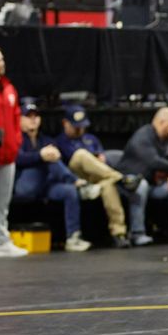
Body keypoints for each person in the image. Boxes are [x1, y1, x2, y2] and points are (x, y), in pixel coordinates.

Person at [14, 100, 91, 251]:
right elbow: (17, 159)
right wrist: (40, 156)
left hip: (44, 185)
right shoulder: (16, 139)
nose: (33, 119)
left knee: (69, 191)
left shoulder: (45, 139)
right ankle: (76, 182)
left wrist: (46, 155)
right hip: (22, 186)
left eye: (35, 116)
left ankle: (73, 237)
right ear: (19, 119)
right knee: (48, 157)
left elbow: (57, 155)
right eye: (28, 116)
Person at [54, 105, 132, 248]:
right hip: (76, 179)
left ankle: (118, 233)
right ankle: (121, 178)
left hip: (95, 180)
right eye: (75, 126)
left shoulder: (92, 139)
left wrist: (100, 160)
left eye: (82, 126)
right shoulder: (60, 141)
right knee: (81, 154)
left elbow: (102, 162)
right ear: (65, 123)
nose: (79, 130)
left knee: (109, 185)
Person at [116, 107, 168, 244]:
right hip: (129, 184)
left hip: (155, 187)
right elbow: (153, 162)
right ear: (162, 122)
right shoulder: (143, 136)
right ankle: (137, 233)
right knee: (141, 184)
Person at [0, 48, 26, 258]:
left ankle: (1, 241)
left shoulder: (8, 88)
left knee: (2, 203)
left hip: (8, 155)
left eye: (2, 59)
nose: (1, 63)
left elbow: (17, 118)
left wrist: (16, 142)